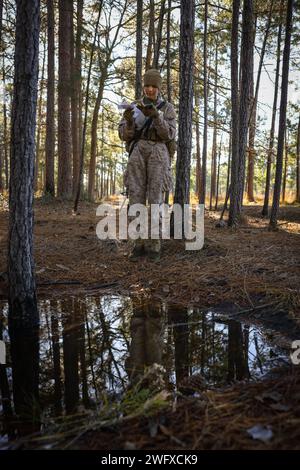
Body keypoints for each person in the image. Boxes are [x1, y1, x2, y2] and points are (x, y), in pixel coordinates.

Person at [118, 69, 177, 261]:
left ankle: (154, 246)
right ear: (143, 86)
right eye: (147, 85)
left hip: (158, 153)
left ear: (158, 87)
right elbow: (124, 135)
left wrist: (157, 117)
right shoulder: (134, 106)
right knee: (135, 196)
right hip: (137, 153)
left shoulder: (167, 108)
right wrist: (128, 122)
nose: (150, 89)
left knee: (155, 199)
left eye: (154, 86)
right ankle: (137, 244)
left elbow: (169, 134)